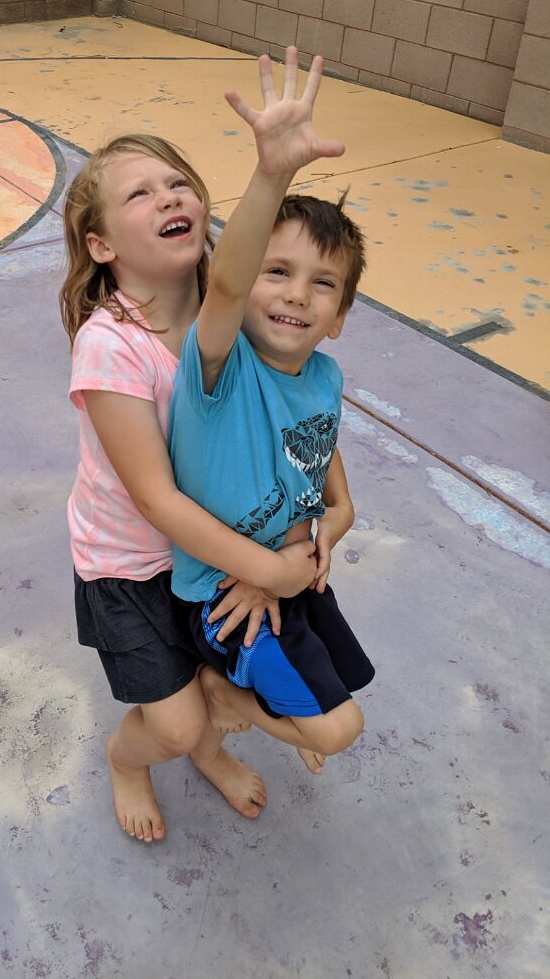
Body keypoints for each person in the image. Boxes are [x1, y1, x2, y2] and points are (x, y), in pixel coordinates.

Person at [60, 48, 346, 842]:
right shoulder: (111, 347)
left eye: (178, 183)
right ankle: (129, 760)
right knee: (175, 723)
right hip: (132, 563)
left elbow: (295, 426)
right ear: (101, 245)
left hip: (221, 550)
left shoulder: (243, 314)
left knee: (218, 682)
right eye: (140, 194)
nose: (168, 196)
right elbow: (156, 501)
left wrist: (308, 533)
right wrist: (271, 571)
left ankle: (211, 745)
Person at [168, 48, 375, 775]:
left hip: (284, 574)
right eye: (277, 271)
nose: (295, 294)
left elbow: (329, 493)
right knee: (337, 730)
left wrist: (304, 551)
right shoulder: (219, 368)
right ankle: (223, 696)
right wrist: (271, 174)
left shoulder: (323, 377)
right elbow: (226, 285)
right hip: (222, 599)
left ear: (340, 317)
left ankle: (258, 709)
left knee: (344, 680)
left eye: (323, 284)